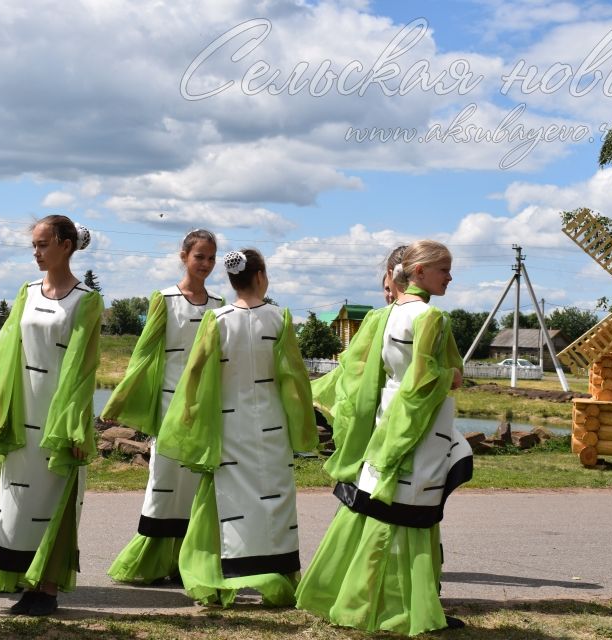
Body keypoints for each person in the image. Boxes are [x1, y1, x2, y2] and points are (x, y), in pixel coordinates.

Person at [295, 240, 473, 636]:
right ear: (420, 272)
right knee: (413, 514)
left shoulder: (384, 315)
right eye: (444, 268)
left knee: (379, 512)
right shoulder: (430, 318)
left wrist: (380, 433)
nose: (450, 276)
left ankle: (362, 599)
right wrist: (452, 377)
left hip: (386, 418)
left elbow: (365, 375)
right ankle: (411, 608)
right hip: (419, 425)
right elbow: (425, 381)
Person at [155, 249, 317, 607]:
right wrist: (303, 426)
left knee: (222, 502)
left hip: (228, 423)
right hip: (271, 424)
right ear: (260, 276)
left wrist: (190, 423)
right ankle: (277, 577)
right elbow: (294, 380)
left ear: (231, 280)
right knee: (274, 500)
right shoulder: (280, 317)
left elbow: (195, 378)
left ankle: (215, 575)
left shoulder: (216, 320)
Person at [0, 214, 102, 616]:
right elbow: (5, 355)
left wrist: (75, 428)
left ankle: (48, 588)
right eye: (34, 246)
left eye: (43, 245)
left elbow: (83, 370)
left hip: (59, 418)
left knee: (57, 499)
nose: (37, 253)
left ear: (66, 245)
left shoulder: (86, 301)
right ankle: (26, 583)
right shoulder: (26, 292)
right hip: (22, 411)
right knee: (17, 500)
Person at [101, 229, 222, 585]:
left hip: (204, 409)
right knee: (164, 482)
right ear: (184, 256)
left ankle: (189, 562)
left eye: (211, 258)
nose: (206, 264)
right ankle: (152, 560)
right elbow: (142, 355)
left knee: (196, 485)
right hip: (171, 405)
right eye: (200, 256)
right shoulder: (165, 299)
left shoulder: (218, 305)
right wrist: (119, 399)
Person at [313, 245, 407, 425]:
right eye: (385, 289)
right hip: (378, 398)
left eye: (391, 288)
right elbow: (354, 362)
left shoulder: (421, 316)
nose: (389, 295)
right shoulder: (376, 319)